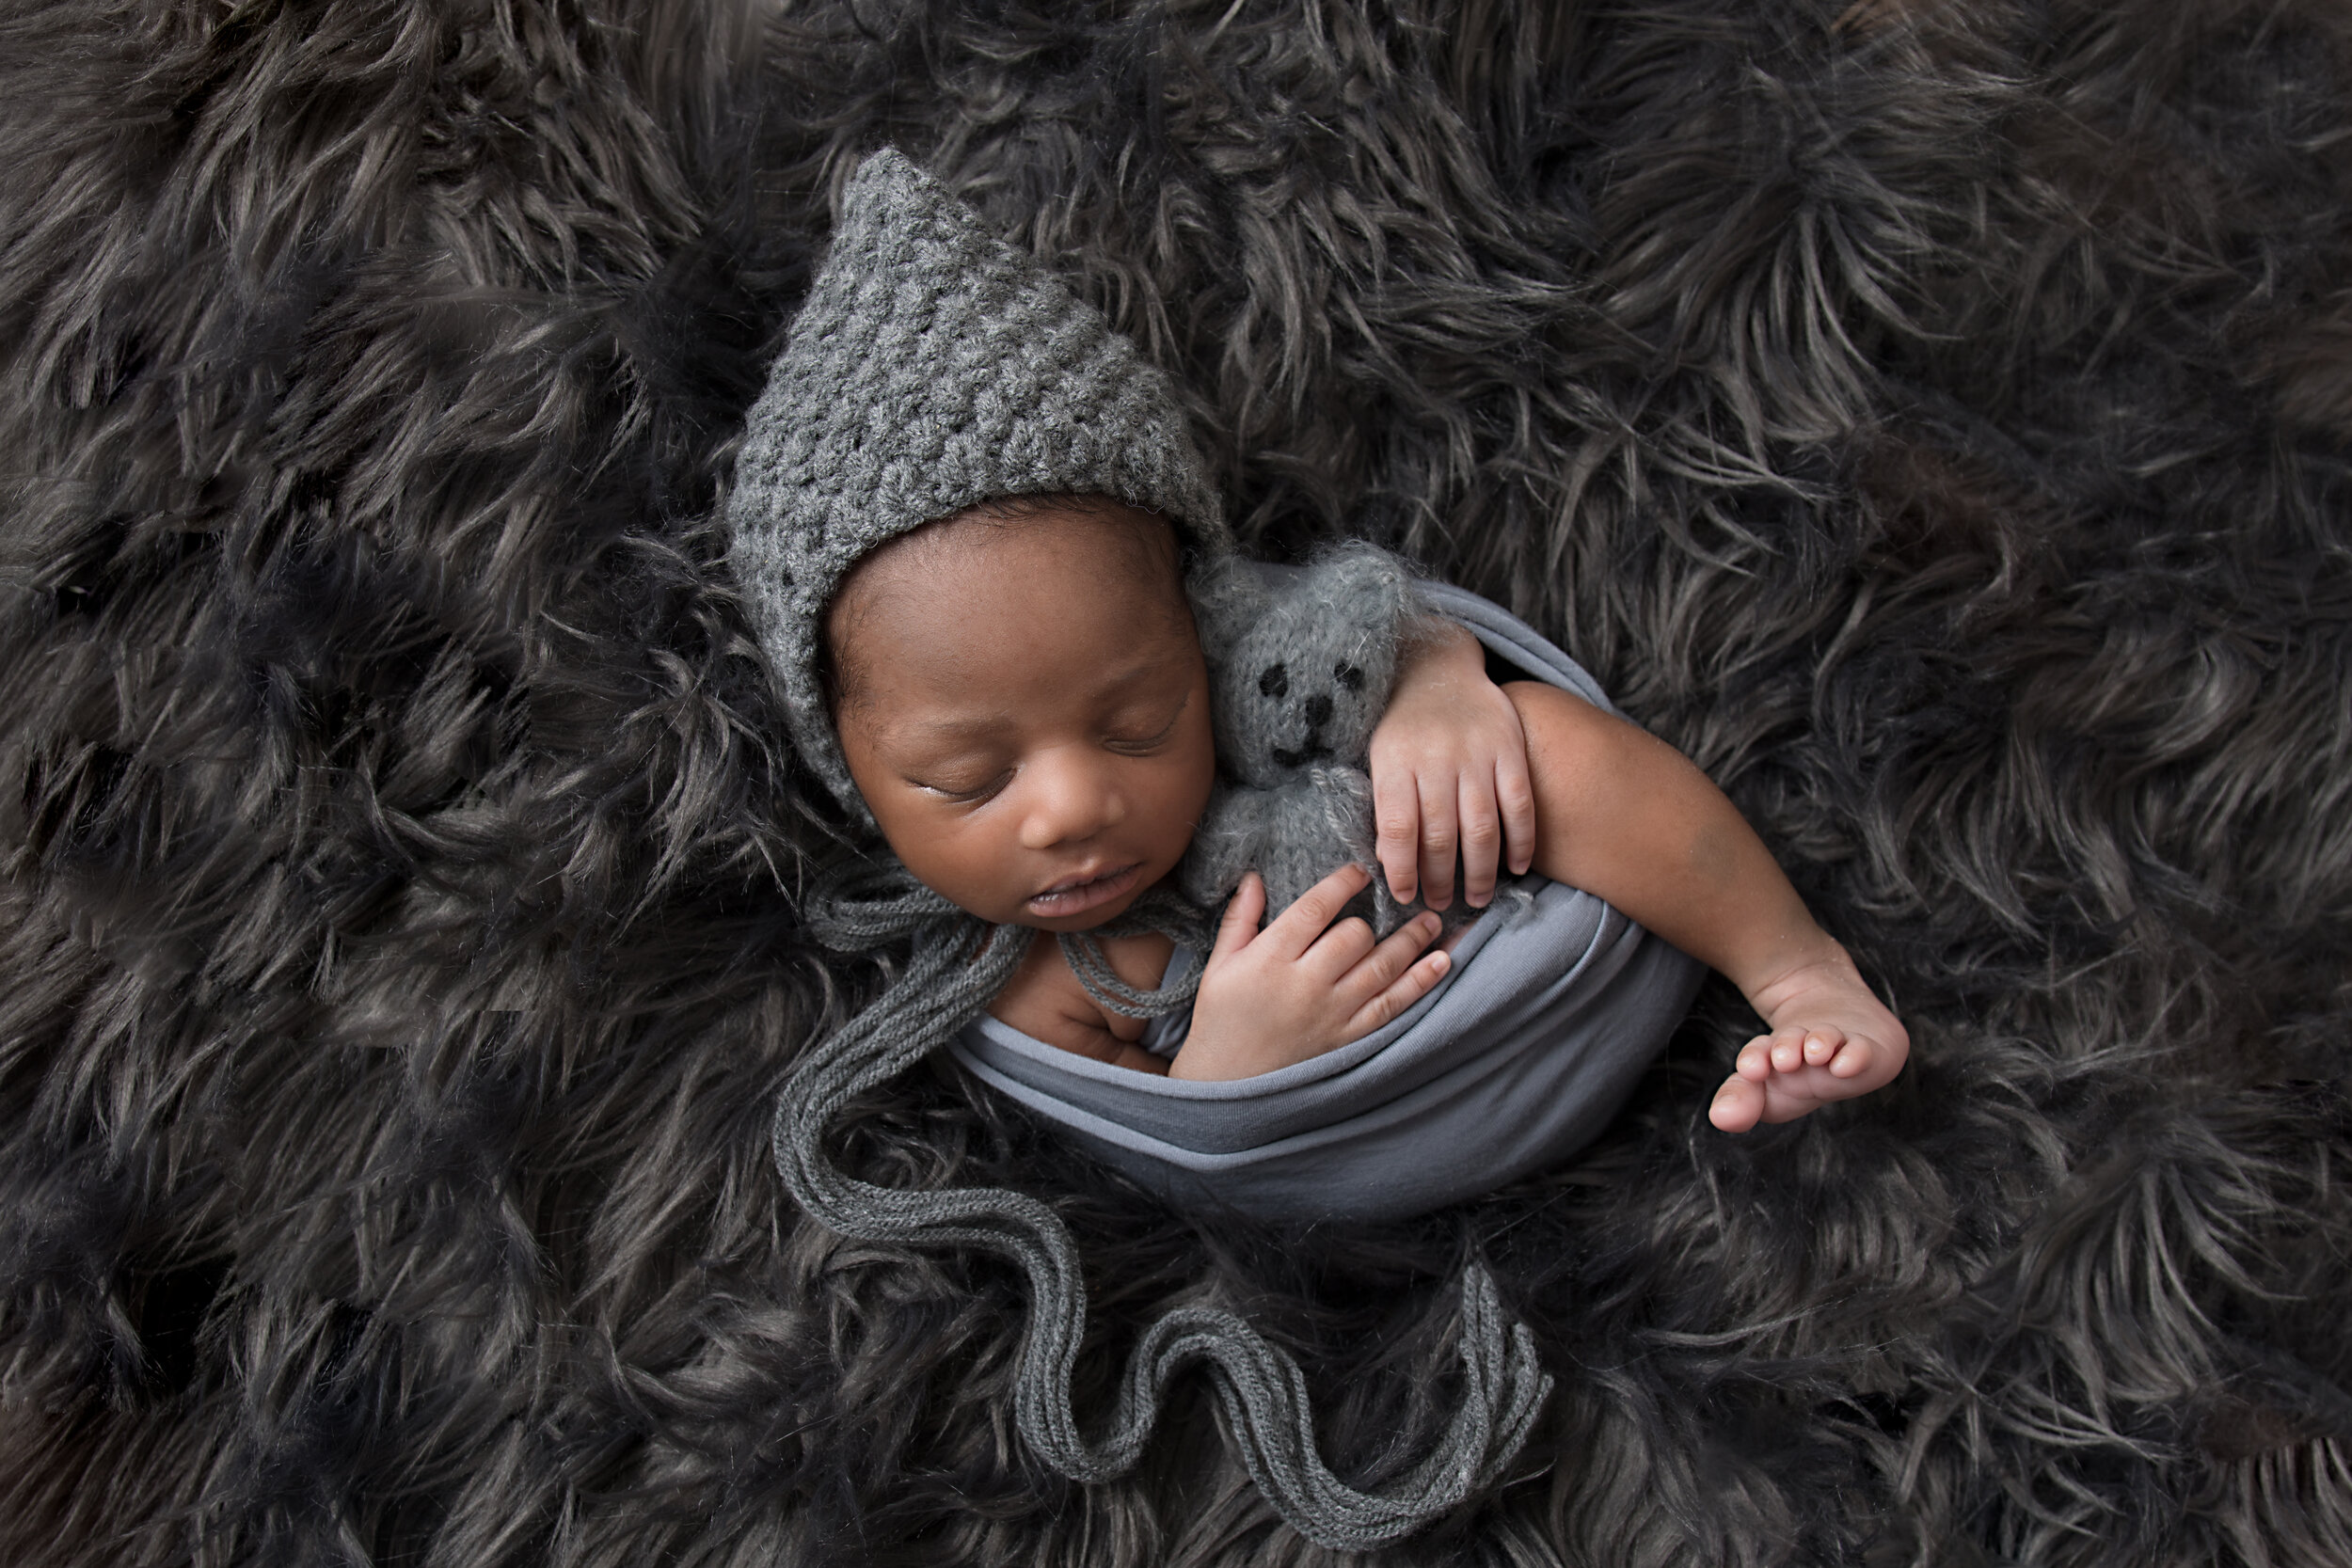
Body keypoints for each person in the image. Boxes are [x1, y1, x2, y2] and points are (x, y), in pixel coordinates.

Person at [820, 492, 1907, 1132]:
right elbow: (1155, 1151)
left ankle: (1799, 970)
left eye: (1139, 722)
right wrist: (1218, 1076)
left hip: (1485, 884)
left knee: (1545, 744)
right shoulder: (1018, 983)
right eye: (967, 780)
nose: (1071, 810)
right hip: (1397, 1125)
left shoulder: (1226, 645)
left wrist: (1430, 681)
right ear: (846, 774)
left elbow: (1331, 623)